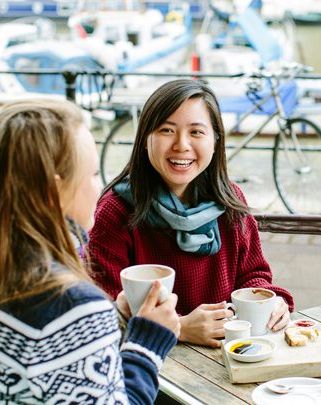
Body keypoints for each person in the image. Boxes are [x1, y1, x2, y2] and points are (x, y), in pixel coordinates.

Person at [0, 100, 180, 403]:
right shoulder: (69, 305)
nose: (100, 187)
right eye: (93, 174)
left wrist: (115, 318)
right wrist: (147, 344)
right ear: (54, 191)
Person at [88, 79, 294, 348]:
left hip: (227, 358)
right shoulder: (116, 211)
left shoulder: (229, 199)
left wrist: (270, 301)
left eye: (196, 132)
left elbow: (252, 275)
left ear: (215, 140)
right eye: (166, 130)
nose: (181, 145)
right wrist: (179, 328)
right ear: (144, 140)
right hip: (150, 371)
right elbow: (102, 312)